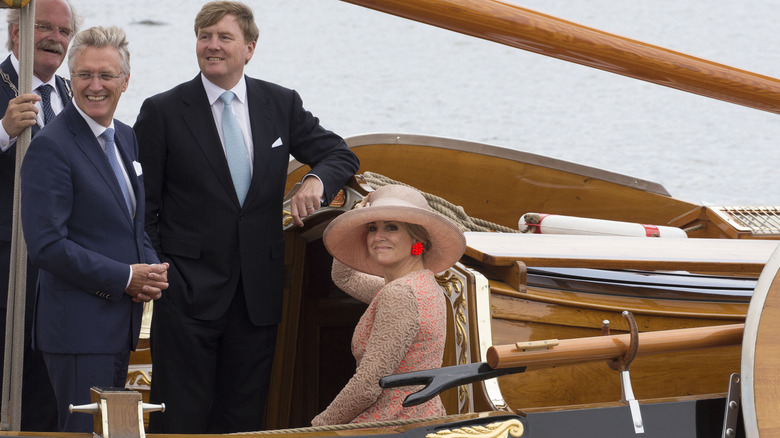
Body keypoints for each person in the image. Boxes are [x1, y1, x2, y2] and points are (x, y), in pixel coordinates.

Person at [133, 0, 359, 433]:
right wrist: (165, 276)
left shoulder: (281, 103)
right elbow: (145, 207)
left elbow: (339, 154)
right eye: (204, 36)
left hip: (258, 295)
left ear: (250, 47)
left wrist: (315, 181)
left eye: (224, 37)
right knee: (182, 418)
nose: (212, 46)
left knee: (243, 420)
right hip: (185, 296)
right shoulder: (162, 110)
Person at [20, 26, 169, 433]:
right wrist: (126, 277)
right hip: (76, 333)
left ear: (125, 80)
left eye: (106, 75)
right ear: (71, 79)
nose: (95, 85)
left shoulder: (125, 137)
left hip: (121, 323)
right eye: (85, 75)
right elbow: (46, 246)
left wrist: (151, 269)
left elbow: (132, 222)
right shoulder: (50, 146)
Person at [311, 184, 466, 425]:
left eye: (391, 228)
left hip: (392, 423)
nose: (378, 236)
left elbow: (367, 386)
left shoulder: (400, 294)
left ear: (418, 240)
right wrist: (355, 216)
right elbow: (345, 277)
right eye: (373, 228)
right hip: (418, 419)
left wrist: (318, 427)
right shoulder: (422, 283)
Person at [0, 0, 80, 431]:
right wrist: (3, 131)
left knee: (48, 393)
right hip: (7, 266)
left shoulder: (75, 92)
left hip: (60, 268)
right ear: (17, 32)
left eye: (64, 31)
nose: (55, 38)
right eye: (44, 27)